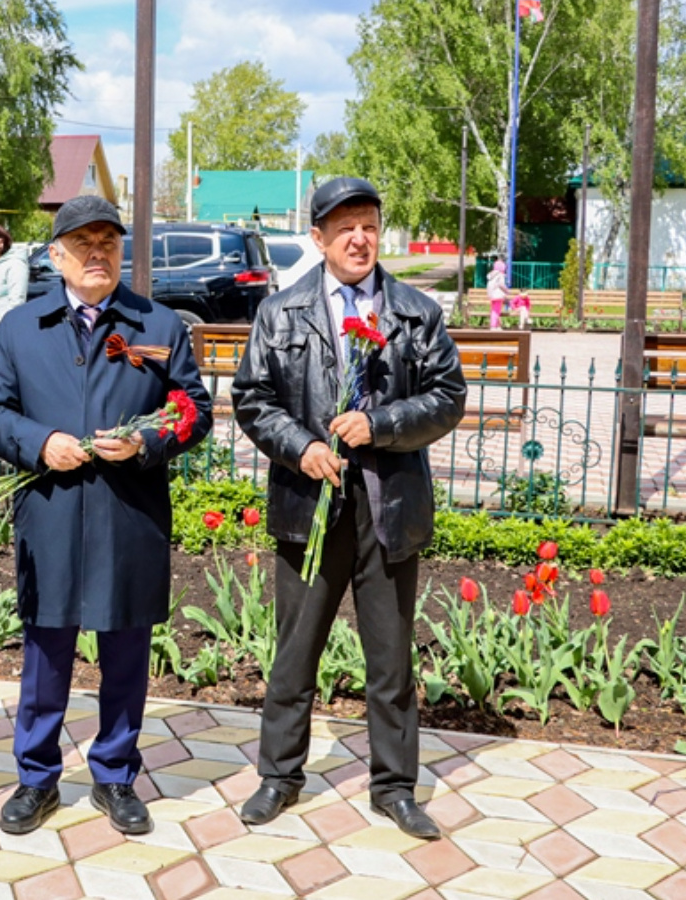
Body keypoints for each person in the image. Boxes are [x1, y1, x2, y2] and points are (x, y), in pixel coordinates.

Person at [230, 177, 466, 841]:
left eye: (368, 224)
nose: (359, 238)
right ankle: (278, 776)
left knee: (390, 661)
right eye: (344, 227)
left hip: (387, 511)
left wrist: (381, 424)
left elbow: (448, 397)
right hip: (310, 507)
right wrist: (302, 446)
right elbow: (253, 398)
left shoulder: (415, 312)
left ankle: (394, 787)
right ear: (319, 239)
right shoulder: (281, 313)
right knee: (294, 653)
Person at [0, 196, 212, 836]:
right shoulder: (23, 329)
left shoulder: (158, 325)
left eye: (108, 240)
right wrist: (41, 442)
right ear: (57, 256)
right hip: (49, 515)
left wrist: (148, 441)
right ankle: (36, 777)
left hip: (128, 515)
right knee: (46, 655)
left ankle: (115, 774)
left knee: (127, 654)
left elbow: (195, 410)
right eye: (83, 243)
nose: (98, 252)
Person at [486, 259, 507, 330]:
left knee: (494, 309)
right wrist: (506, 290)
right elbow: (501, 284)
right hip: (498, 295)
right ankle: (493, 325)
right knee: (496, 311)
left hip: (491, 295)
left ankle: (497, 325)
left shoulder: (492, 275)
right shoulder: (500, 275)